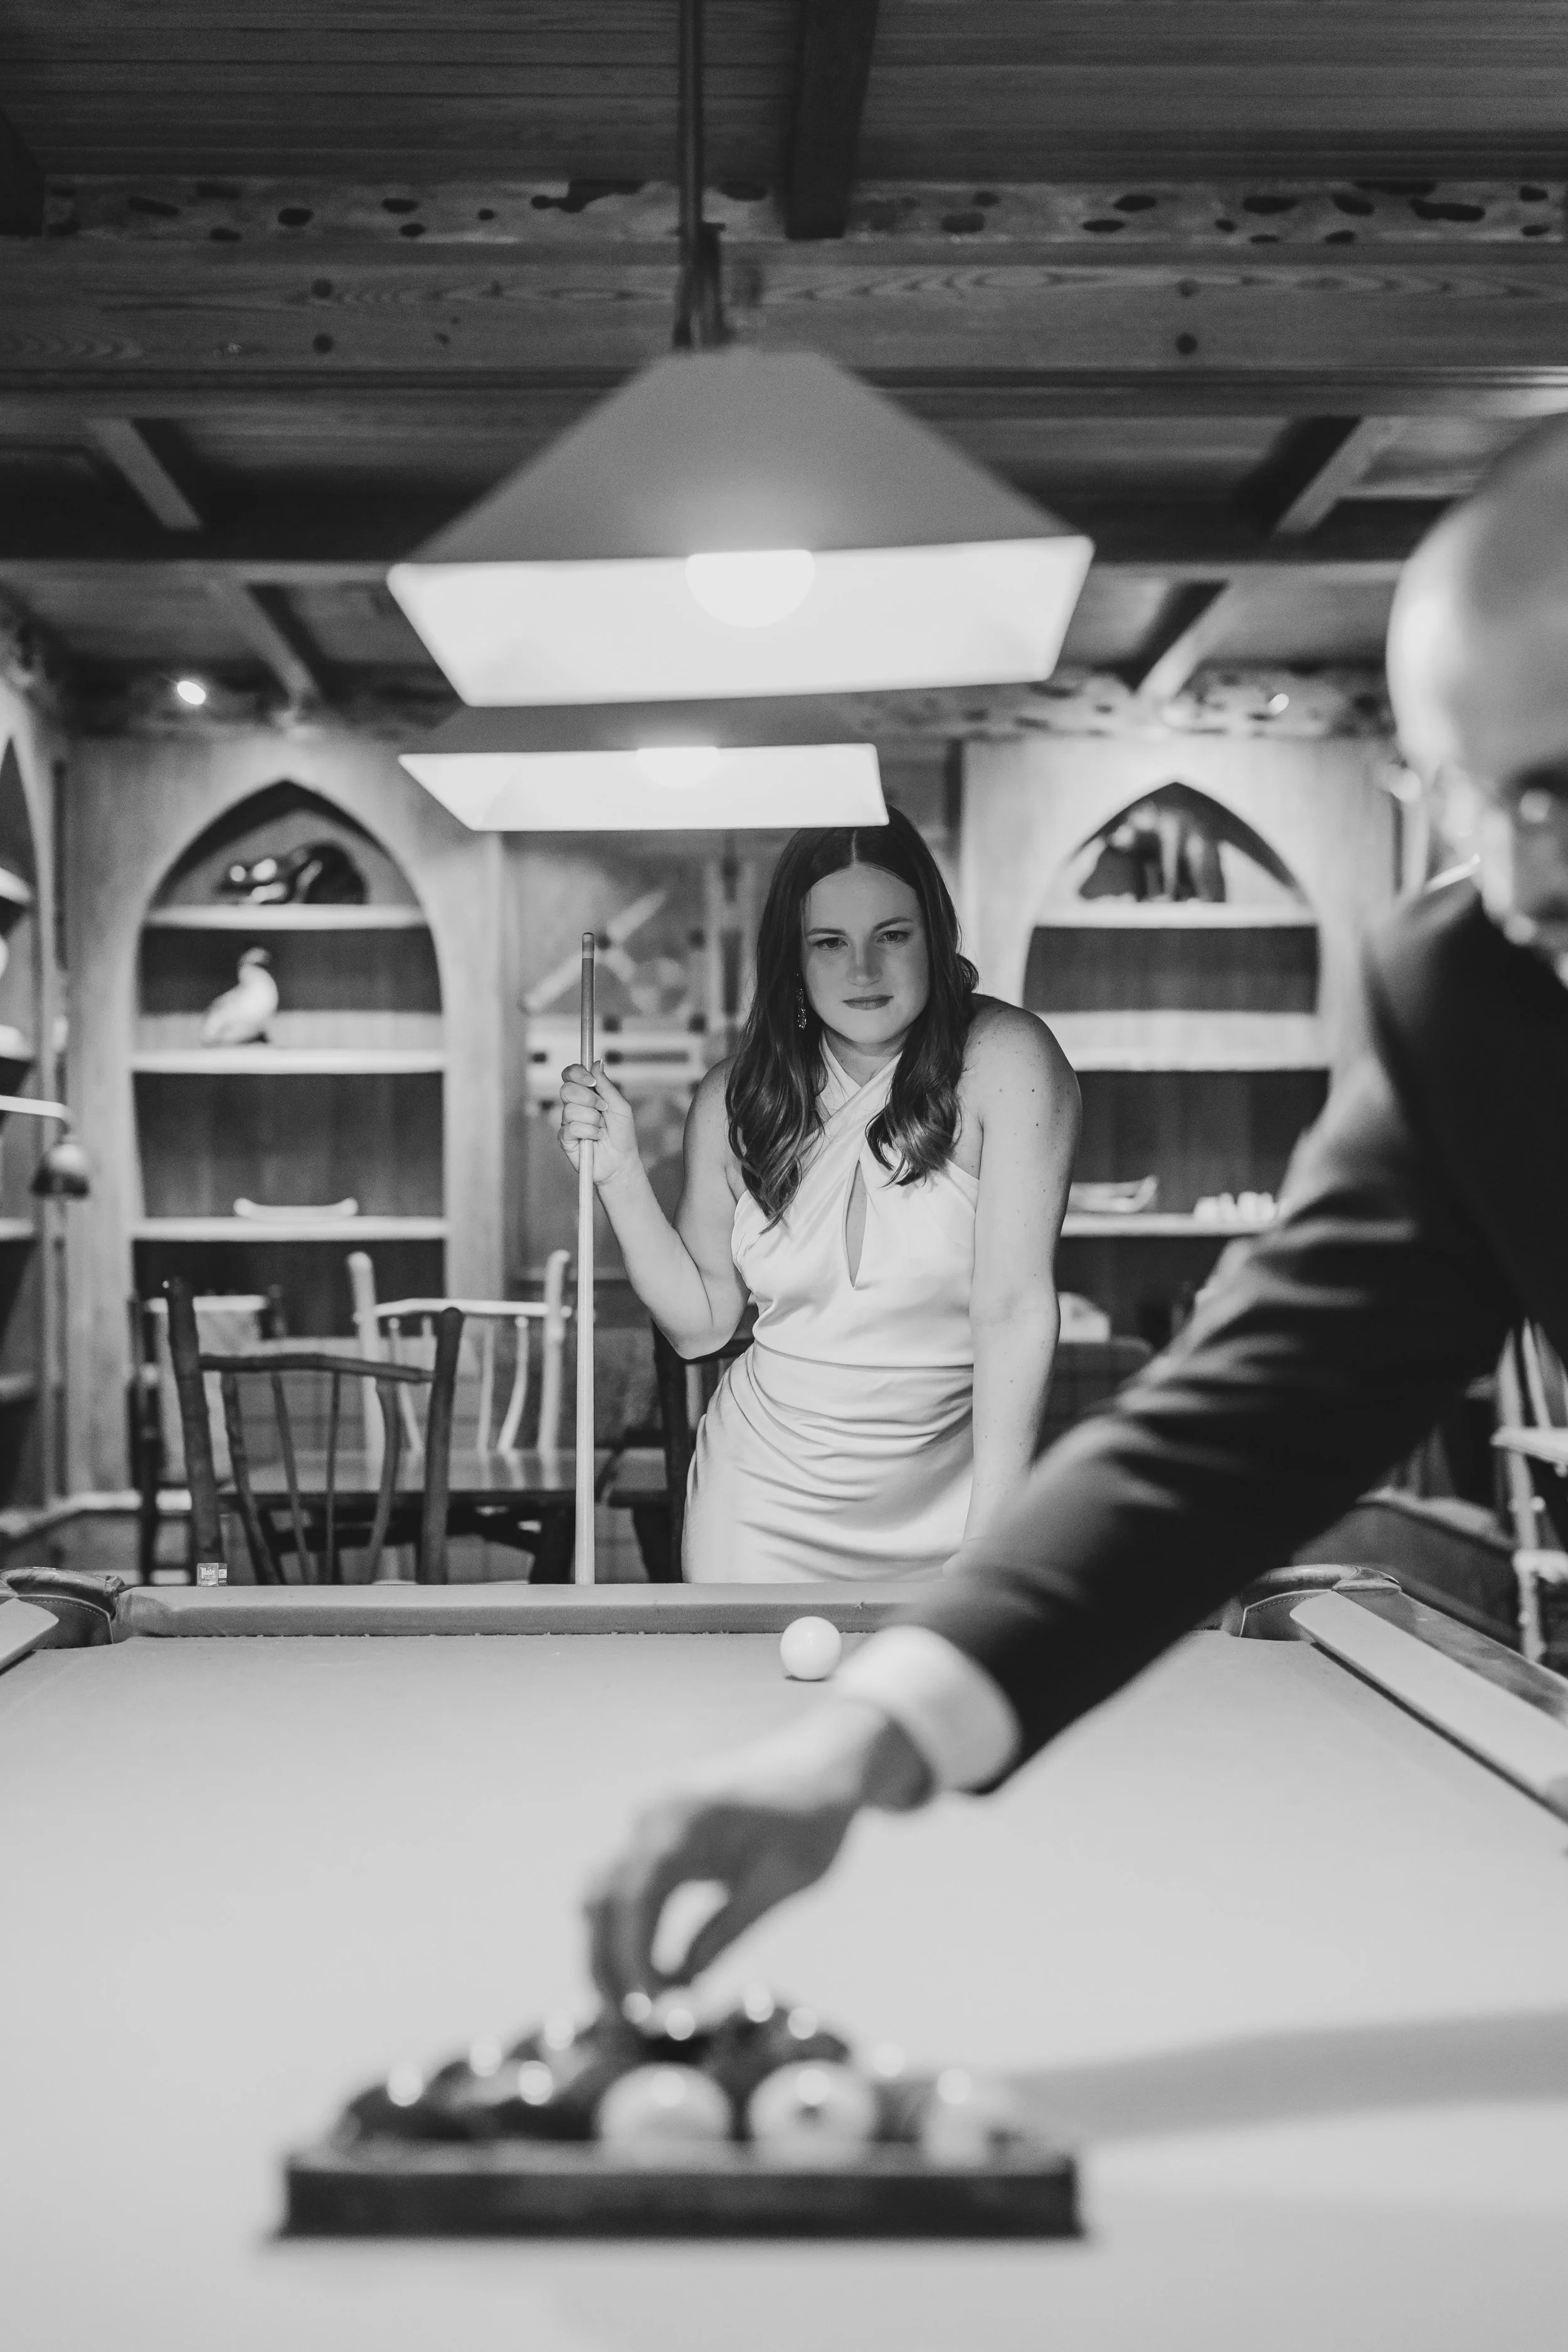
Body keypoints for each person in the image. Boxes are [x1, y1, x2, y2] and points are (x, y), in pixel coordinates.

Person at [583, 416, 1568, 2006]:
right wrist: (875, 1729)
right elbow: (1252, 1414)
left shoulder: (1000, 1061)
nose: (1525, 876)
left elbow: (1009, 1308)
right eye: (1470, 794)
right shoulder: (1466, 989)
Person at [556, 808, 1080, 1582]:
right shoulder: (735, 1098)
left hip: (955, 1505)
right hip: (759, 1507)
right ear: (792, 961)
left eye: (892, 936)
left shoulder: (1008, 1062)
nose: (862, 971)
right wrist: (620, 1176)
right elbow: (702, 1326)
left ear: (935, 937)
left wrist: (990, 1549)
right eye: (829, 943)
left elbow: (1013, 1311)